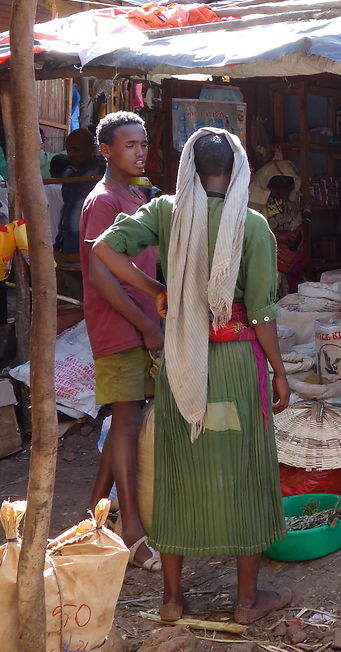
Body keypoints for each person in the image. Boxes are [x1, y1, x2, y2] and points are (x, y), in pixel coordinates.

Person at [92, 128, 292, 624]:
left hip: (182, 364)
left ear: (190, 170)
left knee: (179, 471)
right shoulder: (252, 226)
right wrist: (280, 372)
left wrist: (158, 286)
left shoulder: (167, 212)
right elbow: (262, 312)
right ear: (240, 169)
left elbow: (103, 249)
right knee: (244, 470)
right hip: (237, 363)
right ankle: (246, 602)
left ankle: (172, 600)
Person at [80, 111, 161, 573]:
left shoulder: (134, 196)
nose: (139, 151)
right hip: (119, 327)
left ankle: (94, 517)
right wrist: (147, 326)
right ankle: (130, 530)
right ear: (106, 150)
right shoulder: (103, 201)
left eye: (142, 143)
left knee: (125, 421)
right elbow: (101, 275)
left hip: (140, 321)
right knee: (125, 423)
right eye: (129, 145)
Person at [54, 128, 106, 298]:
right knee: (62, 300)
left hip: (84, 248)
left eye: (75, 149)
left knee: (83, 302)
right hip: (62, 245)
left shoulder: (101, 172)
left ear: (91, 148)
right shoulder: (69, 172)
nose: (70, 154)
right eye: (68, 149)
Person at [249, 158, 309, 295]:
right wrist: (276, 236)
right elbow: (249, 232)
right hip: (265, 259)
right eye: (278, 191)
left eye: (285, 191)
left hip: (289, 257)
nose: (282, 195)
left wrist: (297, 233)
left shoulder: (291, 199)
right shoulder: (252, 202)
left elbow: (300, 220)